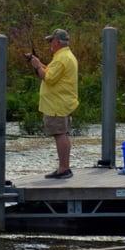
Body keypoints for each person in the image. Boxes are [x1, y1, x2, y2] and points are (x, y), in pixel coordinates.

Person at [29, 28, 79, 179]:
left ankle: (64, 169)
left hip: (57, 104)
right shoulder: (65, 56)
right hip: (60, 103)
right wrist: (38, 63)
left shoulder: (61, 58)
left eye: (51, 41)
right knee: (61, 134)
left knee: (60, 134)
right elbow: (52, 73)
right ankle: (63, 168)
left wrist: (38, 66)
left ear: (57, 42)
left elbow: (48, 78)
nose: (50, 44)